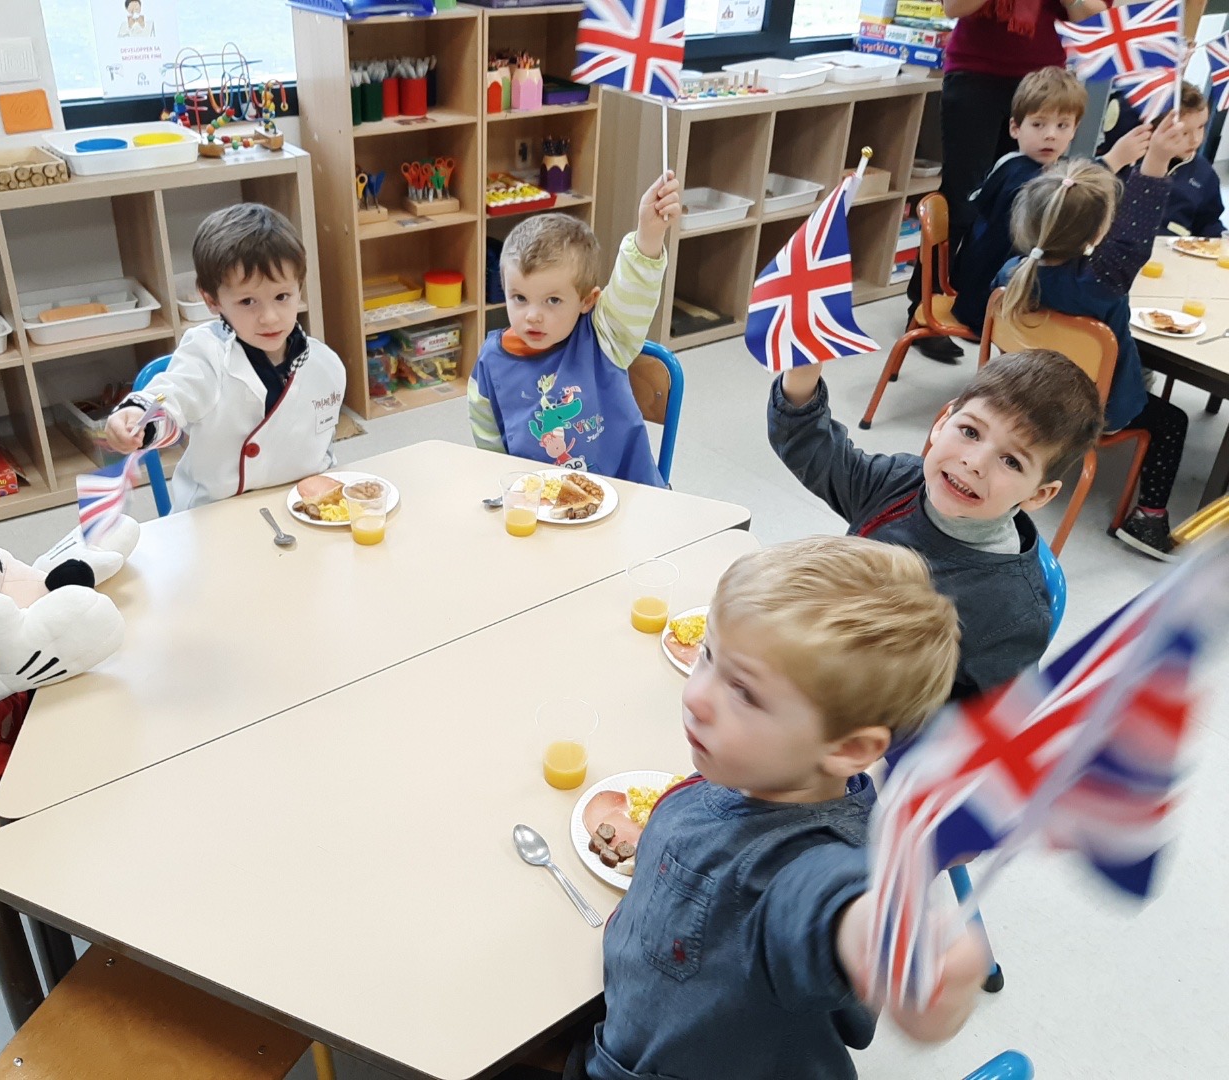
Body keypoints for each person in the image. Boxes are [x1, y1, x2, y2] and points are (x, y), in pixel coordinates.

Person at [500, 536, 980, 1080]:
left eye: (745, 692)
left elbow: (826, 897)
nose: (696, 696)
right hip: (623, 1016)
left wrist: (877, 933)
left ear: (848, 749)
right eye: (708, 655)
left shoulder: (803, 864)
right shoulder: (755, 774)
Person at [768, 351, 1102, 699]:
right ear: (943, 420)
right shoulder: (897, 482)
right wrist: (803, 368)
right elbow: (810, 448)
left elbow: (989, 723)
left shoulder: (1011, 611)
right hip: (815, 658)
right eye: (970, 431)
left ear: (1040, 494)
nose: (974, 463)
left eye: (1011, 461)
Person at [995, 120, 1196, 559]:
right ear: (1095, 236)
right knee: (1173, 421)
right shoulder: (1098, 282)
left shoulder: (1011, 275)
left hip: (1018, 395)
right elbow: (1132, 239)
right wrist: (1156, 162)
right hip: (1087, 412)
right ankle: (1148, 520)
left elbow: (1121, 239)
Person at [104, 203, 344, 511]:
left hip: (299, 508)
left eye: (282, 297)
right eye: (247, 301)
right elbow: (172, 395)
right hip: (215, 511)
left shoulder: (326, 365)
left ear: (299, 288)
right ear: (212, 300)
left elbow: (323, 454)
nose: (269, 317)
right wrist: (139, 418)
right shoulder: (206, 354)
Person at [909, 0, 1109, 363]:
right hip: (976, 73)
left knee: (1023, 206)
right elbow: (955, 7)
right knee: (963, 200)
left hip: (1043, 84)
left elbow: (1091, 13)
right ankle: (926, 303)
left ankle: (989, 302)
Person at [467, 174, 681, 486]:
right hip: (543, 510)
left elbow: (634, 287)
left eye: (552, 300)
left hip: (632, 503)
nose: (533, 316)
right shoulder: (490, 362)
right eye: (520, 298)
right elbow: (490, 456)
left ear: (587, 300)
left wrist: (649, 233)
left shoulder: (605, 334)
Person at [951, 66, 1152, 336]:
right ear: (1015, 127)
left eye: (1062, 125)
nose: (1050, 135)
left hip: (991, 293)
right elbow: (1053, 199)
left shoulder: (1018, 163)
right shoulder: (1020, 174)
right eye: (1038, 124)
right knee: (1096, 299)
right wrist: (1111, 162)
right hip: (992, 303)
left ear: (1074, 130)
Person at [1097, 82, 1225, 239]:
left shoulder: (1204, 174)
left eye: (1201, 127)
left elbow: (1208, 223)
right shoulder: (1128, 160)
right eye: (1184, 132)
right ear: (1155, 129)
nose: (1196, 140)